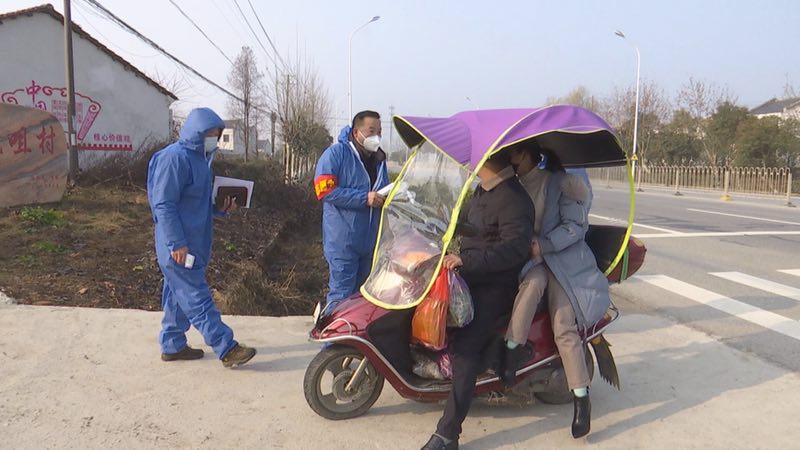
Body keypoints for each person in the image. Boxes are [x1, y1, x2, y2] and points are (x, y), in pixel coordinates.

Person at [421, 152, 534, 450]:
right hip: (467, 275)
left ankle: (448, 433)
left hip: (494, 285)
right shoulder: (481, 190)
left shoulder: (515, 199)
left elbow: (514, 250)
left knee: (465, 347)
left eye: (475, 158)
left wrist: (465, 261)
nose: (470, 164)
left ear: (487, 161)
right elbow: (464, 223)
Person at [505, 143, 610, 439]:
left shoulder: (558, 183)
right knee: (531, 286)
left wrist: (545, 244)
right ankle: (511, 353)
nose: (509, 159)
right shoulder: (513, 186)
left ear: (525, 155)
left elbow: (576, 226)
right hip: (536, 262)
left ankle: (581, 400)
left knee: (563, 326)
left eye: (513, 154)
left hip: (564, 262)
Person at [147, 107, 256, 368]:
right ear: (195, 132)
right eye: (209, 134)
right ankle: (225, 346)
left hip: (191, 242)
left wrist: (220, 208)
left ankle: (173, 345)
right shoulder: (174, 159)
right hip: (179, 245)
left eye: (217, 135)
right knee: (196, 296)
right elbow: (164, 204)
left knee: (177, 294)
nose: (213, 139)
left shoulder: (200, 161)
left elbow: (194, 203)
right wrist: (176, 243)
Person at [313, 110, 389, 316]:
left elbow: (384, 190)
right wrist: (365, 198)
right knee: (341, 295)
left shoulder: (379, 160)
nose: (377, 137)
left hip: (369, 242)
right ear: (357, 133)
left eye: (380, 132)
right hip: (343, 242)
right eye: (372, 131)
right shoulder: (336, 155)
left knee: (361, 297)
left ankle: (352, 343)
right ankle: (332, 346)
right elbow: (324, 190)